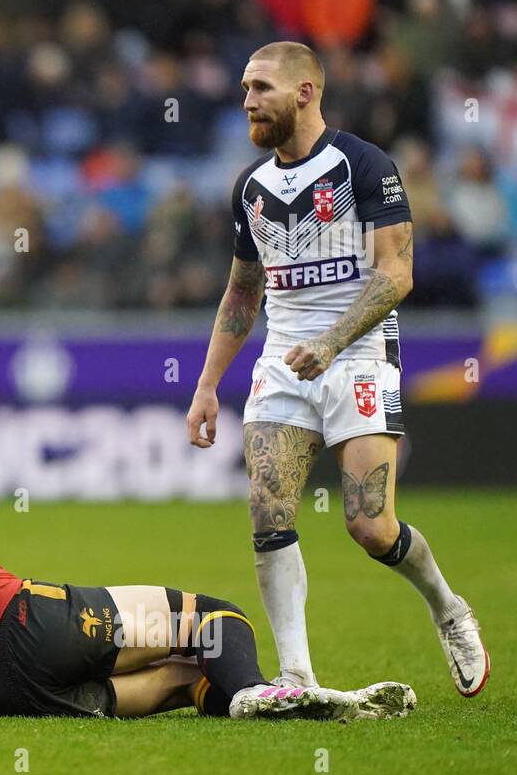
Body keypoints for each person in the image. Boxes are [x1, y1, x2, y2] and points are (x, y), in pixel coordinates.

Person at [0, 399, 415, 722]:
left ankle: (243, 700)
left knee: (183, 675)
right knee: (217, 622)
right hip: (25, 620)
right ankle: (256, 693)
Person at [185, 41, 489, 696]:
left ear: (304, 92)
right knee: (268, 509)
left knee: (369, 525)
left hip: (358, 352)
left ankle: (446, 605)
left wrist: (329, 341)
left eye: (261, 87)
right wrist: (208, 384)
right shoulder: (250, 187)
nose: (247, 101)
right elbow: (242, 293)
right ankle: (297, 673)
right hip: (283, 360)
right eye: (243, 87)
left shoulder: (365, 165)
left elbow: (397, 272)